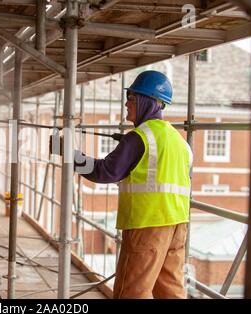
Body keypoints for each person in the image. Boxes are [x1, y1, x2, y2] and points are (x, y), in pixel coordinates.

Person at [52, 70, 193, 298]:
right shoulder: (178, 139)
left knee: (132, 291)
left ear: (146, 101)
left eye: (132, 98)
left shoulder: (140, 137)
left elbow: (105, 172)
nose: (127, 104)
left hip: (148, 225)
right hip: (177, 225)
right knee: (170, 291)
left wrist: (69, 154)